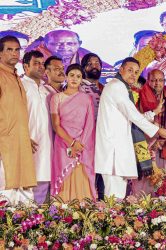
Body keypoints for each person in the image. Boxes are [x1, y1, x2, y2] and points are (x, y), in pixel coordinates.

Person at [95, 57, 166, 199]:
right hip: (113, 151)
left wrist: (154, 112)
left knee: (117, 196)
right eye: (130, 70)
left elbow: (130, 114)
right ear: (121, 69)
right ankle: (111, 221)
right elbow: (132, 115)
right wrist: (157, 130)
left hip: (118, 150)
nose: (133, 74)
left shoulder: (121, 87)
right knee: (114, 197)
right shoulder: (116, 86)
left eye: (136, 72)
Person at [50, 64, 96, 202]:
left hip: (82, 146)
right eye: (72, 75)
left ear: (82, 79)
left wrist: (79, 144)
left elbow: (90, 125)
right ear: (66, 76)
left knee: (81, 178)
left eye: (78, 76)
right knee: (63, 178)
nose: (74, 79)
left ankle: (83, 216)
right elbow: (56, 125)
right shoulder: (56, 98)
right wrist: (71, 143)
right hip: (63, 144)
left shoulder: (86, 99)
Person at [0, 35, 36, 203]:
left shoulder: (15, 76)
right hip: (5, 146)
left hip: (19, 144)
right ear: (0, 53)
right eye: (9, 49)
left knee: (23, 195)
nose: (14, 53)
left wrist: (24, 136)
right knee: (5, 193)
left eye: (17, 50)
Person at [21, 50, 53, 204]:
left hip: (46, 148)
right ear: (25, 66)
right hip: (27, 145)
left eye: (42, 64)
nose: (41, 67)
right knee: (25, 189)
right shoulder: (20, 86)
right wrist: (22, 137)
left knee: (43, 183)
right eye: (36, 63)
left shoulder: (47, 90)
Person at [139, 69, 166, 174]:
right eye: (153, 80)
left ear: (164, 81)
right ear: (148, 80)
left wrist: (164, 140)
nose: (157, 83)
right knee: (146, 182)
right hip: (146, 144)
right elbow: (137, 120)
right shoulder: (139, 96)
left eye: (160, 80)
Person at [80, 52, 105, 200]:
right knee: (88, 175)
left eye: (97, 63)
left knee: (103, 175)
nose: (94, 66)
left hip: (103, 139)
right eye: (90, 64)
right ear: (83, 68)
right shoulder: (78, 87)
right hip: (86, 140)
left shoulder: (106, 89)